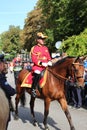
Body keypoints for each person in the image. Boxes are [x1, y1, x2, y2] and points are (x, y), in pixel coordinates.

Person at [30, 32, 52, 97]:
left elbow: (48, 57)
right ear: (38, 40)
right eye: (42, 39)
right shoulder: (34, 48)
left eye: (43, 39)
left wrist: (50, 61)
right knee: (38, 73)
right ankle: (33, 89)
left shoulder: (46, 48)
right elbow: (34, 59)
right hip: (38, 67)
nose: (43, 40)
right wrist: (42, 63)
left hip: (46, 66)